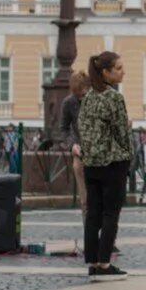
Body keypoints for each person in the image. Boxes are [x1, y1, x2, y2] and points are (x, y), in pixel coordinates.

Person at [76, 51, 132, 281]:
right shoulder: (114, 98)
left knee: (93, 214)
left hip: (91, 164)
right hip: (112, 162)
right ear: (105, 72)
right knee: (110, 214)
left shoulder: (88, 97)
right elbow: (121, 132)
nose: (122, 72)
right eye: (118, 68)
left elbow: (83, 128)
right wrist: (128, 154)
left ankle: (92, 262)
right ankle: (105, 263)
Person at [62, 71, 90, 213]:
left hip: (99, 154)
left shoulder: (96, 99)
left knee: (101, 200)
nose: (80, 97)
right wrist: (72, 145)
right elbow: (64, 129)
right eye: (77, 94)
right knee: (85, 201)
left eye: (83, 94)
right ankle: (89, 233)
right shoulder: (68, 102)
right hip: (80, 154)